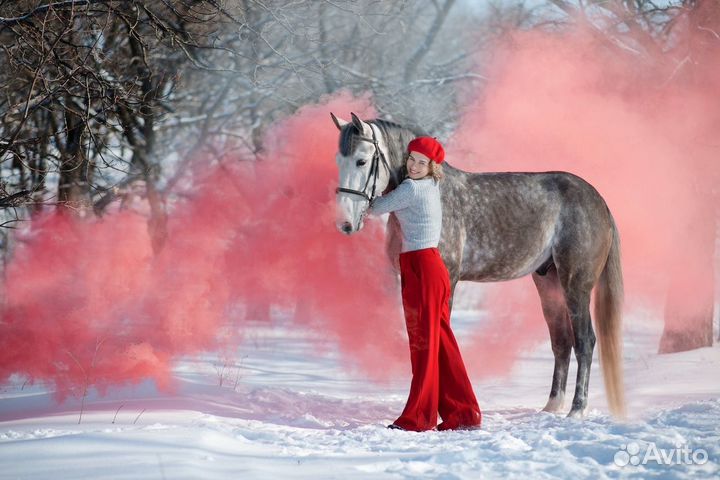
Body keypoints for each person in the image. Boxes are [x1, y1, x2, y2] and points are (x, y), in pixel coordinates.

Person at [369, 136, 481, 432]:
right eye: (411, 160)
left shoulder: (411, 188)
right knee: (441, 342)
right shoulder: (432, 186)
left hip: (422, 268)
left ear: (432, 167)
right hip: (430, 266)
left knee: (424, 344)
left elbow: (375, 208)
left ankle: (419, 417)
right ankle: (464, 412)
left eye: (422, 162)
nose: (414, 166)